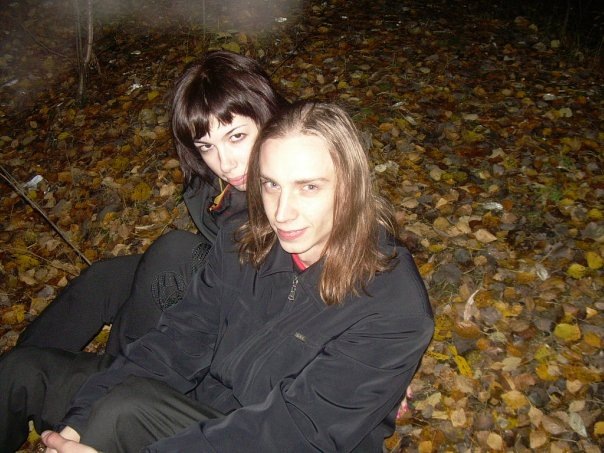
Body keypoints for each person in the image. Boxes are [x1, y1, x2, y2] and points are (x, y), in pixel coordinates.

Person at [42, 102, 434, 452]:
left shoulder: (393, 305)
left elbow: (296, 433)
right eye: (271, 185)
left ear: (350, 188)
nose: (282, 213)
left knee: (120, 412)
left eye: (309, 187)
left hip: (278, 440)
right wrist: (80, 420)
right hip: (217, 414)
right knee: (30, 374)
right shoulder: (246, 239)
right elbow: (180, 338)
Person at [0, 50, 286, 452]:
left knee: (174, 253)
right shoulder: (217, 184)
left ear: (270, 117)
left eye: (236, 136)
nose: (225, 162)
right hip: (209, 307)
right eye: (206, 145)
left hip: (218, 385)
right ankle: (83, 369)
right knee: (101, 284)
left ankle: (113, 376)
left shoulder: (300, 200)